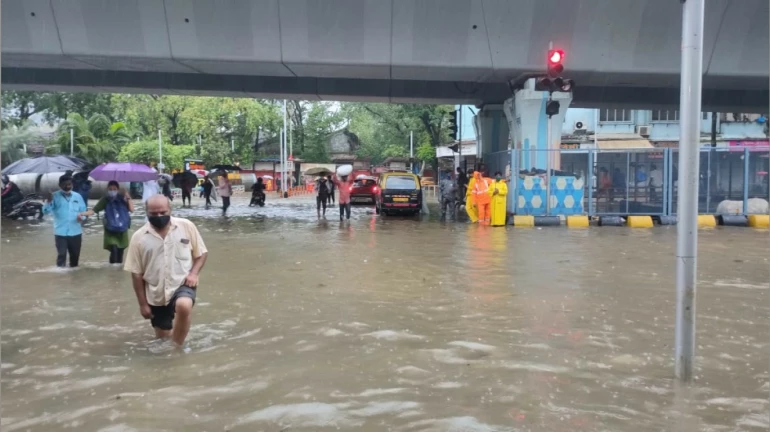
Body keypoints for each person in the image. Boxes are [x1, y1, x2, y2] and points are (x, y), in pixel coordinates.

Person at [124, 195, 208, 348]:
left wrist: (194, 273)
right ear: (147, 213)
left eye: (163, 212)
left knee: (184, 305)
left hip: (183, 283)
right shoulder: (139, 238)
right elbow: (136, 274)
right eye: (154, 214)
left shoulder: (186, 227)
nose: (159, 216)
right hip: (156, 292)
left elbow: (201, 253)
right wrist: (142, 304)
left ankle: (177, 350)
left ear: (170, 210)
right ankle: (169, 351)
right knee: (162, 339)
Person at [83, 180, 134, 264]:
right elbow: (94, 210)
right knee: (114, 249)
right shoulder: (105, 199)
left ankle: (115, 273)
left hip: (122, 228)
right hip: (110, 229)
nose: (112, 191)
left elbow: (131, 210)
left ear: (118, 189)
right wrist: (83, 214)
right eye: (110, 189)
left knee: (120, 252)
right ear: (107, 189)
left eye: (114, 189)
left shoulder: (123, 198)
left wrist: (128, 198)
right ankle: (112, 268)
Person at [43, 174, 88, 268]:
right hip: (60, 233)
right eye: (65, 184)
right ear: (60, 185)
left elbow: (84, 211)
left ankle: (74, 279)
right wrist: (48, 201)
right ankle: (60, 277)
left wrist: (82, 217)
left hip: (76, 232)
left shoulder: (78, 196)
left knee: (75, 259)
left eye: (69, 184)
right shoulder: (54, 196)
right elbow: (45, 211)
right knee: (62, 255)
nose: (67, 187)